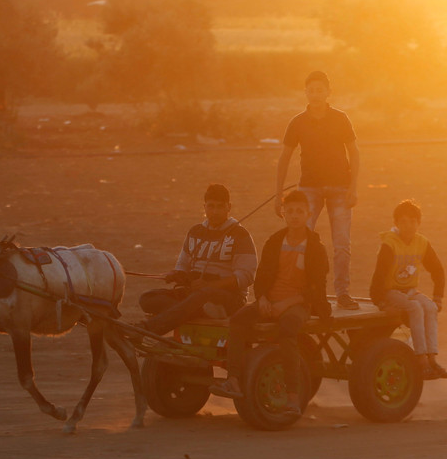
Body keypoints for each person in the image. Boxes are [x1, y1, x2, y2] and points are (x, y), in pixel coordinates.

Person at [210, 190, 333, 417]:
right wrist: (264, 299)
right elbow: (262, 278)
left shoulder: (316, 247)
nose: (294, 216)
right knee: (237, 322)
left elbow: (316, 288)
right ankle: (234, 380)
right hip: (271, 300)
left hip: (297, 304)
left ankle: (293, 397)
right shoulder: (275, 241)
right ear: (283, 214)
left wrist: (287, 304)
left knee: (287, 330)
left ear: (308, 214)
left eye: (299, 211)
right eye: (290, 211)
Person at [275, 70, 361, 310]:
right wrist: (278, 193)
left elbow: (354, 153)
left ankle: (343, 293)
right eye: (311, 90)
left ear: (328, 92)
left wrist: (353, 187)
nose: (315, 94)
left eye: (320, 90)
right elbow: (284, 158)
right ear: (306, 93)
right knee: (301, 240)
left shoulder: (341, 118)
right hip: (309, 189)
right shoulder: (298, 122)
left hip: (340, 188)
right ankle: (300, 292)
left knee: (342, 244)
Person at [137, 184, 257, 335]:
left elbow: (245, 277)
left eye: (220, 207)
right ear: (204, 207)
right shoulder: (195, 232)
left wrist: (211, 285)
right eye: (211, 206)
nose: (215, 212)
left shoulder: (240, 234)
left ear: (229, 207)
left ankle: (149, 329)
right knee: (147, 298)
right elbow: (182, 266)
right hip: (195, 294)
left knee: (202, 295)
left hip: (228, 297)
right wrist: (176, 275)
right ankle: (201, 310)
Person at [369, 199, 447, 380]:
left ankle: (432, 358)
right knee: (415, 308)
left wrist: (438, 297)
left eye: (413, 221)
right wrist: (381, 303)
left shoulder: (421, 242)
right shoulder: (389, 244)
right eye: (403, 222)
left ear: (419, 223)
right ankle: (421, 360)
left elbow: (437, 270)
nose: (409, 226)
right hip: (391, 292)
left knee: (430, 307)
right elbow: (378, 276)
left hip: (410, 291)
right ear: (396, 223)